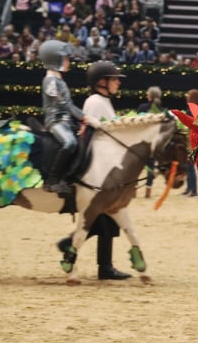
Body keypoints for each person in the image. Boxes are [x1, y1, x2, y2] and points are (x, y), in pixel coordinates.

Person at [56, 61, 132, 280]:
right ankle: (99, 263)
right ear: (102, 82)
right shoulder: (95, 102)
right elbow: (97, 133)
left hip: (105, 165)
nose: (118, 82)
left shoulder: (104, 101)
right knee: (104, 218)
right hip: (97, 168)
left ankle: (103, 265)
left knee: (105, 219)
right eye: (115, 78)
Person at [39, 39, 99, 195]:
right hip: (55, 120)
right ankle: (52, 181)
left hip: (67, 120)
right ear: (54, 60)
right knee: (70, 143)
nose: (68, 62)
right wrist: (85, 118)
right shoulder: (50, 81)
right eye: (65, 59)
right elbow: (65, 104)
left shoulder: (58, 79)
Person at [138, 86, 162, 198]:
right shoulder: (161, 110)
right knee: (151, 166)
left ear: (150, 96)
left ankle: (133, 188)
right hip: (154, 141)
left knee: (136, 165)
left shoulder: (142, 108)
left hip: (142, 140)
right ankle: (148, 189)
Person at [181, 89, 198, 197]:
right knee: (189, 167)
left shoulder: (190, 110)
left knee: (189, 167)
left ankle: (193, 190)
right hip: (196, 140)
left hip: (190, 140)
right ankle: (189, 189)